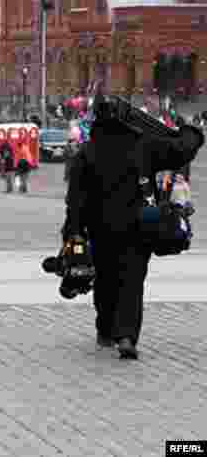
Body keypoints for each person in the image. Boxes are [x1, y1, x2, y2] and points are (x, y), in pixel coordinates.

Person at [63, 96, 203, 360]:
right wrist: (192, 132)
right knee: (132, 280)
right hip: (136, 226)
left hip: (100, 228)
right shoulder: (143, 146)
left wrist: (73, 231)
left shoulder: (87, 153)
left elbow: (75, 200)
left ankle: (105, 329)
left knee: (105, 279)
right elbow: (180, 150)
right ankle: (126, 335)